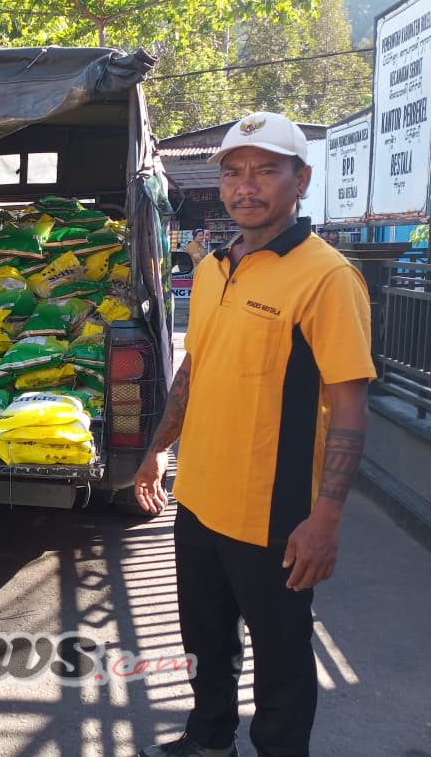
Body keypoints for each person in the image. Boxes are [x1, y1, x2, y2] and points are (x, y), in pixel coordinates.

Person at [133, 112, 376, 757]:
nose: (247, 186)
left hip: (273, 514)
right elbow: (195, 367)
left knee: (282, 661)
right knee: (205, 640)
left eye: (266, 170)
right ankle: (209, 738)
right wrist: (158, 449)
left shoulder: (327, 277)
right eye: (234, 172)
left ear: (301, 179)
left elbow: (350, 405)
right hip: (198, 498)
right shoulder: (214, 268)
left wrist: (325, 519)